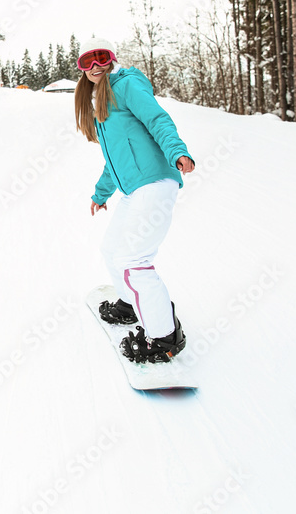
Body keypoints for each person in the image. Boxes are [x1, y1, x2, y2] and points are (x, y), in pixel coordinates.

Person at [74, 38, 195, 364]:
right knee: (112, 250)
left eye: (102, 58)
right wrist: (100, 195)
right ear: (82, 69)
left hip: (155, 182)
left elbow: (158, 119)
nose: (96, 65)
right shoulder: (102, 104)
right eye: (88, 60)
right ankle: (130, 304)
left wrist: (177, 150)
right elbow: (114, 161)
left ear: (112, 59)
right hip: (135, 190)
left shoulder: (126, 86)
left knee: (133, 260)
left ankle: (164, 338)